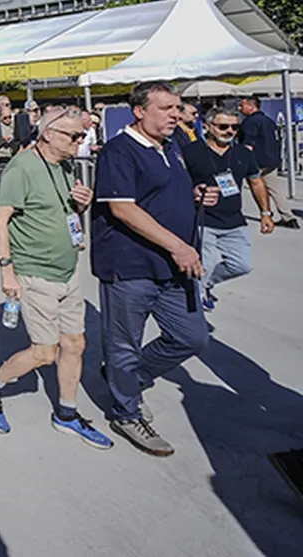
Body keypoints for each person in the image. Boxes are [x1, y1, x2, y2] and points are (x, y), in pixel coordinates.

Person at [0, 110, 111, 449]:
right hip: (35, 272)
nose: (81, 142)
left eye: (82, 135)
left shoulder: (64, 165)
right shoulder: (22, 168)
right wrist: (6, 270)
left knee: (75, 345)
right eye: (74, 136)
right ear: (47, 134)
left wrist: (81, 204)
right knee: (45, 353)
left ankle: (67, 413)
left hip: (66, 270)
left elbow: (60, 212)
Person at [93, 82, 217, 457]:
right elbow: (123, 208)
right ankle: (125, 411)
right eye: (166, 108)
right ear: (139, 111)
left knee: (192, 337)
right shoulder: (119, 151)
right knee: (123, 345)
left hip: (173, 267)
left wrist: (197, 193)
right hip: (130, 265)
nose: (175, 115)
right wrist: (178, 245)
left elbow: (163, 192)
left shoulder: (171, 147)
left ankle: (127, 380)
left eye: (177, 108)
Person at [182, 104, 274, 311]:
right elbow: (176, 183)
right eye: (223, 126)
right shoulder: (191, 151)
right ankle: (196, 303)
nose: (229, 132)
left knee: (242, 265)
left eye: (234, 127)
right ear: (207, 126)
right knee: (203, 265)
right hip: (202, 220)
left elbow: (256, 182)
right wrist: (193, 192)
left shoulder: (243, 152)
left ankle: (205, 285)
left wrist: (265, 213)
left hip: (234, 220)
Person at [238, 95, 299, 227]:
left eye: (242, 105)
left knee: (250, 186)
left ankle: (264, 213)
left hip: (256, 161)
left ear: (251, 106)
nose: (239, 108)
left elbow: (248, 143)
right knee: (275, 189)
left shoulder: (250, 122)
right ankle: (288, 216)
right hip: (271, 160)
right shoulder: (268, 120)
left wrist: (242, 161)